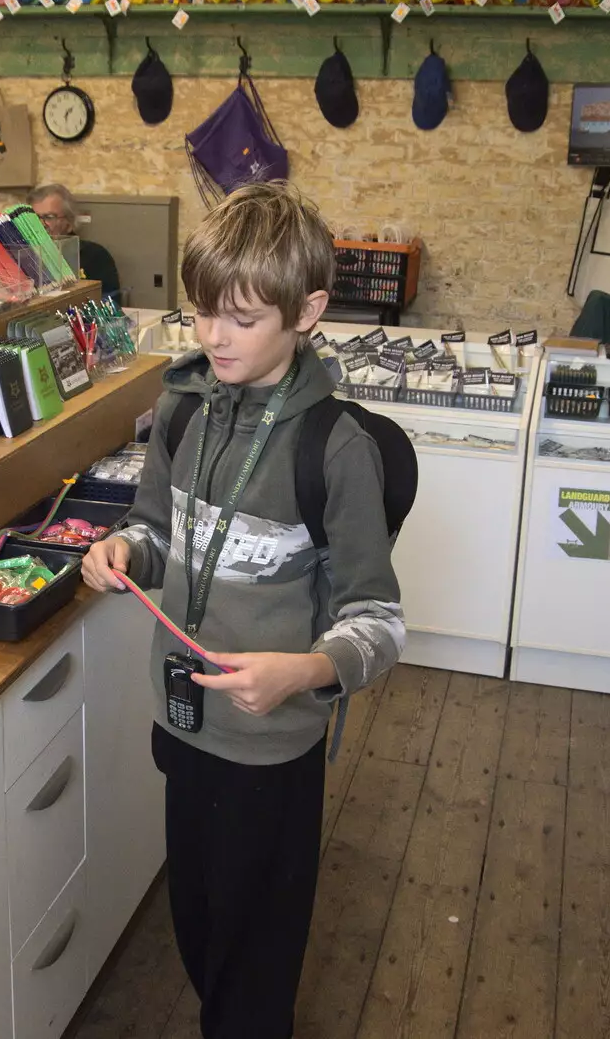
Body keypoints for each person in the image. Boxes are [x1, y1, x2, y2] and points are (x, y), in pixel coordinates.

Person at [81, 182, 404, 1038]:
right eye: (202, 313)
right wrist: (124, 554)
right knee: (198, 920)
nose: (214, 336)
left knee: (255, 960)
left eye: (243, 318)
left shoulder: (334, 450)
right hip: (181, 721)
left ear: (309, 312)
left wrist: (305, 669)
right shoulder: (183, 407)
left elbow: (379, 621)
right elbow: (155, 530)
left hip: (271, 746)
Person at [28, 183, 121, 297]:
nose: (40, 224)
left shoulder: (95, 256)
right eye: (34, 218)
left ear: (69, 223)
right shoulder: (21, 256)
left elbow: (110, 304)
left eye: (49, 217)